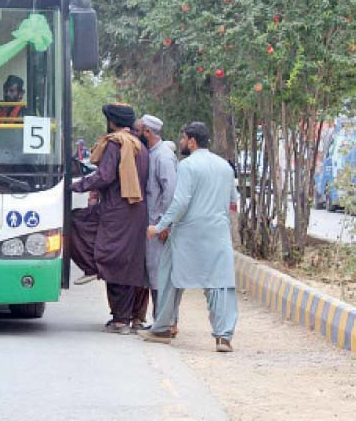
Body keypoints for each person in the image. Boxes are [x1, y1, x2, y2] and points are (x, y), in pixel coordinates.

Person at [138, 122, 238, 353]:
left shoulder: (188, 166)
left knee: (169, 275)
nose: (181, 143)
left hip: (187, 234)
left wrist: (159, 226)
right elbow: (233, 200)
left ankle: (162, 328)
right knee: (220, 284)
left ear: (192, 141)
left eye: (183, 138)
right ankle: (223, 337)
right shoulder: (224, 166)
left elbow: (180, 202)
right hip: (218, 233)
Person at [70, 103, 149, 334]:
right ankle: (128, 317)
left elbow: (103, 177)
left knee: (111, 259)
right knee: (126, 263)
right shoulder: (139, 146)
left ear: (112, 121)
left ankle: (120, 320)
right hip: (136, 213)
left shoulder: (117, 144)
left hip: (117, 212)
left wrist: (76, 186)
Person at [133, 114, 178, 332]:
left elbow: (170, 192)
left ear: (147, 132)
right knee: (153, 274)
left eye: (139, 130)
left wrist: (163, 224)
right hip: (152, 225)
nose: (137, 134)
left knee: (160, 275)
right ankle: (160, 321)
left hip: (158, 226)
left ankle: (165, 324)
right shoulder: (152, 154)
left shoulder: (163, 156)